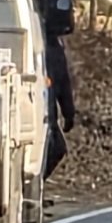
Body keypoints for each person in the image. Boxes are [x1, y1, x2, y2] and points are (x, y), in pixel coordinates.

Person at [44, 28, 75, 181]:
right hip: (44, 110)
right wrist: (68, 113)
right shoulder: (52, 46)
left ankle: (32, 188)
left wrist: (68, 112)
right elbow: (62, 82)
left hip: (44, 108)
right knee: (56, 148)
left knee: (56, 148)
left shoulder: (47, 43)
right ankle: (31, 187)